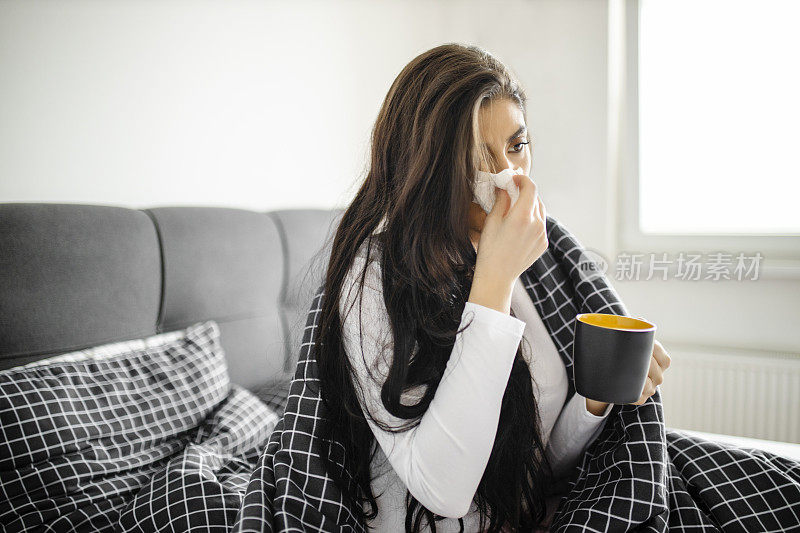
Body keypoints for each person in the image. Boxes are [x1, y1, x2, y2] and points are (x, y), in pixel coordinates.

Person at [314, 43, 671, 533]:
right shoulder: (375, 276)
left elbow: (537, 465)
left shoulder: (535, 257)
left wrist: (596, 397)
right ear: (425, 167)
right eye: (479, 157)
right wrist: (495, 279)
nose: (509, 176)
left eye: (517, 146)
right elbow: (445, 491)